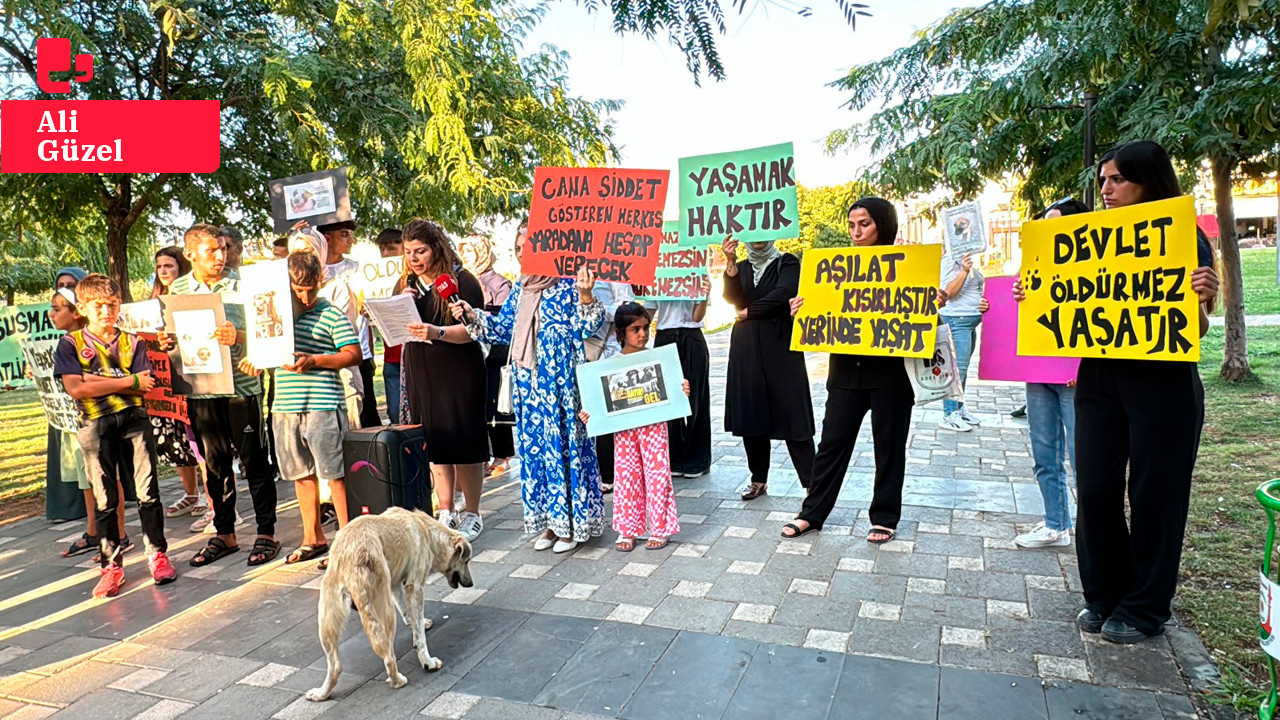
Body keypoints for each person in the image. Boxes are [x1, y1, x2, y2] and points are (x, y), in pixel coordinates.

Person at [1014, 140, 1219, 644]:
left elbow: (1199, 327)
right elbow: (1063, 303)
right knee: (1098, 487)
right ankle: (1103, 593)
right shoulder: (1084, 239)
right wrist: (1031, 292)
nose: (1104, 189)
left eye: (1116, 180)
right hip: (1100, 378)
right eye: (1102, 179)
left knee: (1156, 493)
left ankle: (1147, 605)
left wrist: (1203, 299)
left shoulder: (1184, 238)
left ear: (1147, 181)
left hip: (1163, 381)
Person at [779, 198, 919, 544]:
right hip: (845, 372)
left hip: (891, 375)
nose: (856, 232)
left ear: (883, 225)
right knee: (831, 444)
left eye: (865, 224)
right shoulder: (834, 267)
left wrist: (932, 301)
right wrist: (803, 309)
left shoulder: (908, 266)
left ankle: (885, 516)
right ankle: (811, 514)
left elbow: (919, 316)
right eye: (852, 225)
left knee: (889, 447)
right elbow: (823, 314)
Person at [453, 258, 604, 554]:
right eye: (520, 249)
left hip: (563, 386)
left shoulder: (570, 283)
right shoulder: (523, 289)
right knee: (537, 452)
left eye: (529, 246)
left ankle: (571, 524)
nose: (525, 254)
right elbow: (502, 328)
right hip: (529, 386)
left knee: (564, 447)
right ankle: (550, 522)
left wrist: (586, 295)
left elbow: (589, 327)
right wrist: (472, 316)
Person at [54, 274, 177, 598]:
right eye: (98, 306)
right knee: (106, 499)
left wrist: (101, 381)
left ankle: (158, 555)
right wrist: (127, 382)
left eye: (112, 304)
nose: (107, 311)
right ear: (82, 308)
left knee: (148, 491)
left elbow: (146, 382)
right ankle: (111, 567)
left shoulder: (132, 342)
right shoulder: (71, 344)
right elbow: (76, 388)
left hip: (134, 420)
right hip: (95, 425)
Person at [245, 251, 362, 563]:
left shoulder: (332, 314)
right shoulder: (274, 318)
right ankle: (314, 537)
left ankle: (347, 544)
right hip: (285, 406)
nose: (307, 295)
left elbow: (353, 353)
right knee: (300, 474)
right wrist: (253, 360)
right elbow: (260, 352)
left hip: (324, 404)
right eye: (299, 290)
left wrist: (316, 361)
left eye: (312, 287)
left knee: (335, 474)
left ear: (320, 281)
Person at [172, 224, 278, 567]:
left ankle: (266, 533)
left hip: (242, 388)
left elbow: (269, 329)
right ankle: (225, 533)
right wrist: (166, 343)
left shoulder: (246, 284)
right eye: (211, 251)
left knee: (255, 461)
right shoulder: (178, 288)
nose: (220, 256)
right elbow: (176, 339)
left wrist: (244, 338)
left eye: (223, 249)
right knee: (215, 464)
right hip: (201, 389)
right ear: (190, 255)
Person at [398, 219, 489, 541]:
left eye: (420, 251)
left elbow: (474, 331)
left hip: (459, 372)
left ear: (436, 248)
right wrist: (396, 306)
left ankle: (474, 513)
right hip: (422, 370)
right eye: (408, 252)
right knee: (435, 443)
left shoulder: (462, 280)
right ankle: (446, 509)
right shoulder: (406, 283)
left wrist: (436, 332)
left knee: (464, 442)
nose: (414, 258)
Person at [579, 302, 688, 551]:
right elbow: (596, 403)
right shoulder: (610, 365)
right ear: (620, 333)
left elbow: (674, 389)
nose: (642, 334)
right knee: (627, 477)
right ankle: (628, 529)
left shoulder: (659, 359)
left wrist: (681, 390)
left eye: (645, 328)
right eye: (635, 329)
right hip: (625, 430)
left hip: (654, 426)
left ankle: (660, 527)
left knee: (658, 474)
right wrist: (590, 413)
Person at [1013, 198, 1091, 550]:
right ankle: (1055, 525)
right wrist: (1007, 300)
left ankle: (1093, 530)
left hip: (1075, 378)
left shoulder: (1097, 267)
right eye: (1045, 223)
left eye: (1056, 223)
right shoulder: (1035, 265)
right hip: (1039, 373)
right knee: (1045, 455)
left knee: (1083, 459)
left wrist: (1080, 365)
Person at [720, 235, 815, 501]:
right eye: (753, 233)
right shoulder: (742, 266)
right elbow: (732, 298)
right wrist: (729, 261)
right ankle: (758, 479)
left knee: (793, 412)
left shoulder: (787, 262)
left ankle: (812, 484)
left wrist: (750, 312)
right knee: (752, 411)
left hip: (780, 344)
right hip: (746, 347)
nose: (758, 239)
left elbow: (784, 294)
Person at [50, 287, 129, 560]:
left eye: (58, 308)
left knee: (108, 475)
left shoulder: (94, 343)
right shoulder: (65, 343)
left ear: (77, 311)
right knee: (88, 477)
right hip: (73, 419)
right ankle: (95, 531)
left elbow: (85, 383)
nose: (52, 314)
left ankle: (118, 535)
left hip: (100, 417)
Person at [150, 247, 207, 524]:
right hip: (163, 383)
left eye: (169, 265)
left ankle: (211, 497)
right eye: (159, 266)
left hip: (191, 377)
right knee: (174, 440)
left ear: (180, 268)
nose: (163, 271)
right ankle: (190, 493)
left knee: (197, 439)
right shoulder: (151, 303)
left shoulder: (189, 297)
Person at [459, 233, 515, 476]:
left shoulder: (500, 283)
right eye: (464, 252)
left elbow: (503, 322)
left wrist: (479, 314)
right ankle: (480, 454)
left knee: (496, 404)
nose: (467, 257)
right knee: (475, 405)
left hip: (494, 354)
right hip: (470, 353)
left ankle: (502, 454)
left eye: (471, 251)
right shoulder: (461, 280)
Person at [318, 220, 381, 428]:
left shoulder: (359, 269)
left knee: (367, 415)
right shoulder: (314, 273)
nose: (351, 240)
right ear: (327, 238)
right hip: (327, 353)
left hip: (359, 353)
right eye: (344, 234)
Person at [45, 267, 91, 523]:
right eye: (60, 284)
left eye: (71, 285)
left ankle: (103, 531)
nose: (65, 288)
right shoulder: (60, 341)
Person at [654, 279, 712, 479]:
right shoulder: (659, 269)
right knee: (668, 397)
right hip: (664, 335)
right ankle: (675, 457)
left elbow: (696, 316)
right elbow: (650, 309)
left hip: (691, 334)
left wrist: (704, 296)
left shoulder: (696, 268)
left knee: (696, 398)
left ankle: (698, 459)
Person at [937, 248, 985, 432]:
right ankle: (949, 414)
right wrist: (964, 271)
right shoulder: (950, 259)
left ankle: (959, 408)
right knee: (957, 370)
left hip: (968, 322)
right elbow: (948, 292)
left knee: (962, 370)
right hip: (957, 321)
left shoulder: (965, 257)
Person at [374, 228, 405, 424]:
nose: (386, 254)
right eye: (382, 249)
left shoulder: (414, 279)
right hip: (391, 355)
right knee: (395, 414)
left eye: (391, 248)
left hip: (411, 355)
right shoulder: (373, 279)